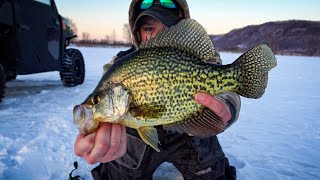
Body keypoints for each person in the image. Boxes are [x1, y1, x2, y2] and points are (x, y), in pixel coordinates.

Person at [74, 0, 241, 179]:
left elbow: (227, 92)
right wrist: (95, 130)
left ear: (182, 31)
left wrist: (226, 106)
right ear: (137, 32)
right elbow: (102, 104)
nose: (159, 36)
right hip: (136, 139)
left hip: (189, 131)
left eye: (169, 28)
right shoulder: (118, 66)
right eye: (149, 29)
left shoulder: (202, 59)